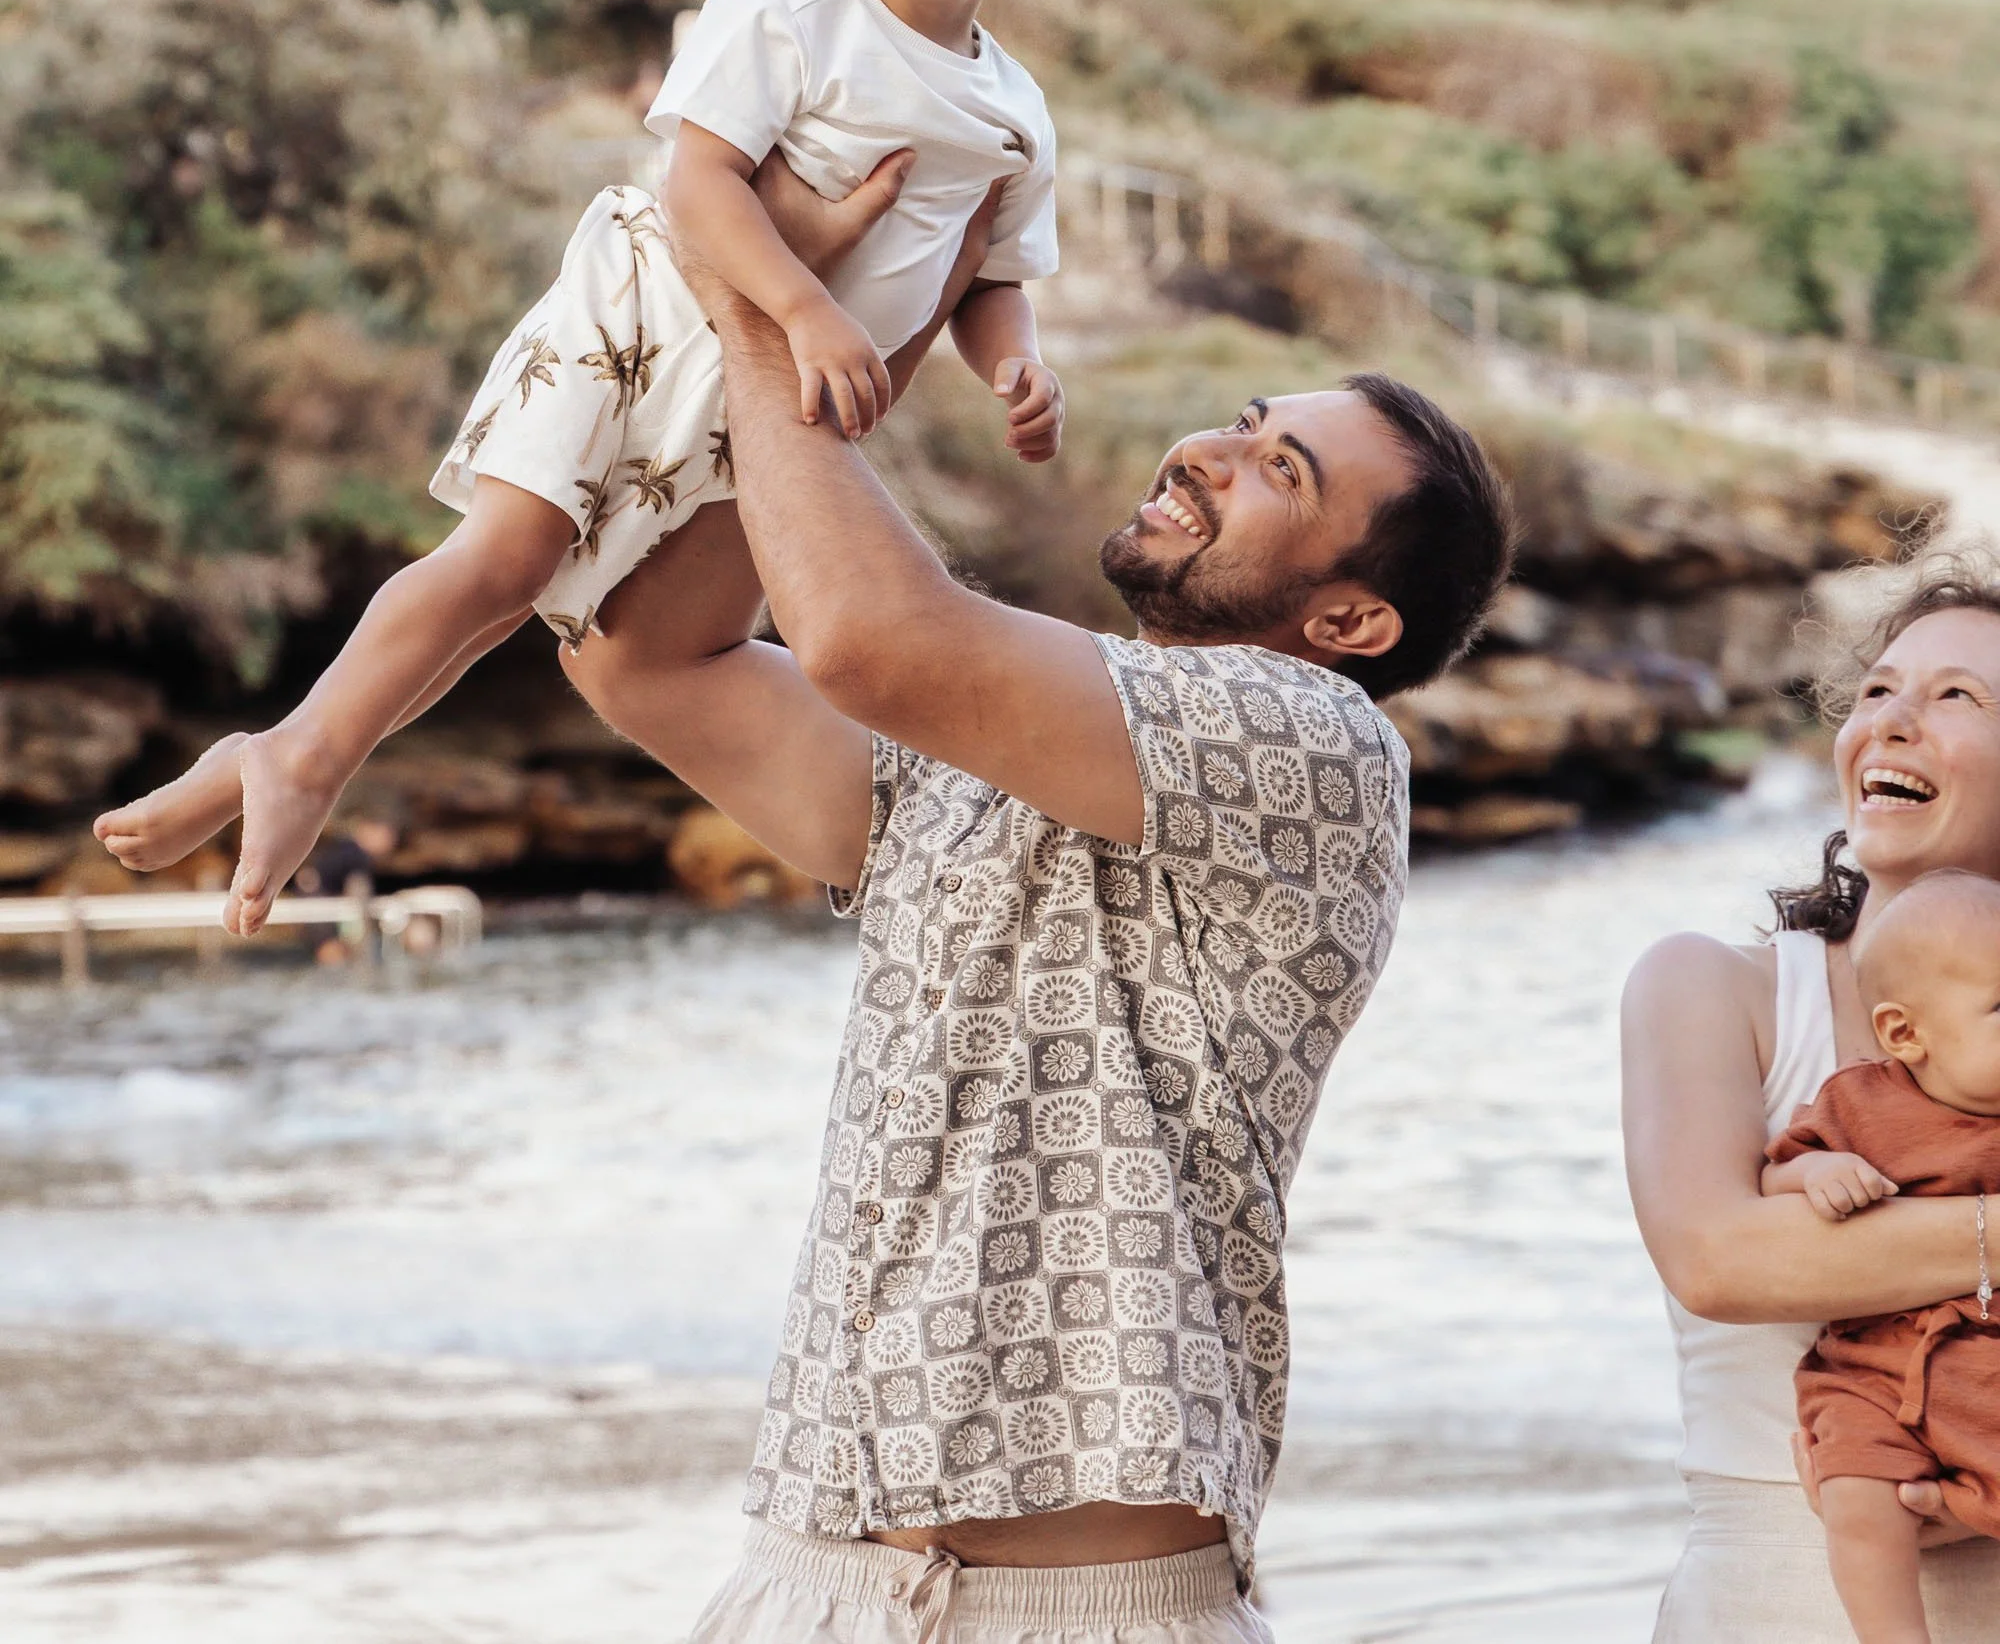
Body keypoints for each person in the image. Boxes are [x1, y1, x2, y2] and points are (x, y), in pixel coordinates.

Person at [559, 165, 1514, 1642]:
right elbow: (644, 659)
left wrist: (773, 307)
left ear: (1348, 622)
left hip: (1087, 1610)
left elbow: (873, 638)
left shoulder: (1321, 748)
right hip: (818, 1579)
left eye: (1281, 473)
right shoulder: (973, 762)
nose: (1210, 449)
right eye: (1248, 424)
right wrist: (811, 303)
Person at [92, 0, 1070, 938]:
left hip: (762, 409)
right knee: (502, 558)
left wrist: (1016, 369)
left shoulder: (1018, 109)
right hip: (649, 318)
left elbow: (989, 277)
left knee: (623, 624)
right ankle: (302, 751)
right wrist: (804, 307)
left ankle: (282, 756)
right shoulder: (786, 18)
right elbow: (699, 185)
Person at [1623, 559, 2000, 1640]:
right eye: (1876, 690)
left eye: (1957, 697)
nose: (1889, 722)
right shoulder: (1714, 986)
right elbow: (1719, 1258)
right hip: (1768, 1602)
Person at [1759, 870, 2000, 1644]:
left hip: (1989, 1368)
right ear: (1905, 1035)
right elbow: (1774, 1173)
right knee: (1858, 1494)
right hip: (1876, 1367)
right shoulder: (1860, 1103)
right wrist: (1815, 1172)